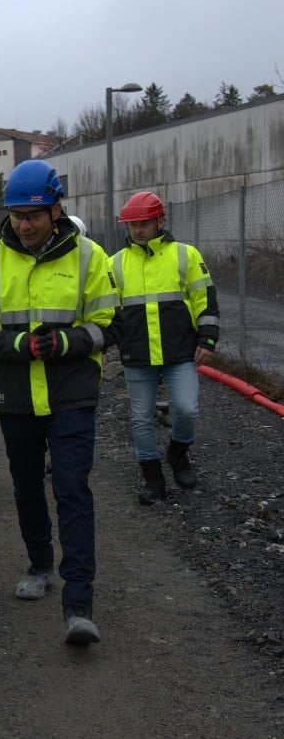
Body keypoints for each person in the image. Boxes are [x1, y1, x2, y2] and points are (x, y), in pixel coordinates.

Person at [0, 159, 120, 645]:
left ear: (56, 210)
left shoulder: (91, 258)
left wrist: (65, 344)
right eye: (16, 216)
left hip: (71, 392)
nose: (24, 226)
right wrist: (19, 346)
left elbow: (110, 324)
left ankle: (79, 605)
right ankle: (39, 564)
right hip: (15, 396)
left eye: (33, 216)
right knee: (27, 485)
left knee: (72, 488)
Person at [112, 191, 218, 504]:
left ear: (160, 220)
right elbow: (105, 311)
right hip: (137, 354)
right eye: (132, 225)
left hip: (179, 351)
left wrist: (208, 338)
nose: (138, 230)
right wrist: (105, 346)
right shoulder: (115, 263)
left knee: (187, 408)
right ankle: (152, 478)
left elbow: (204, 300)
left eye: (144, 223)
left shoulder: (185, 255)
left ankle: (178, 453)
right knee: (141, 419)